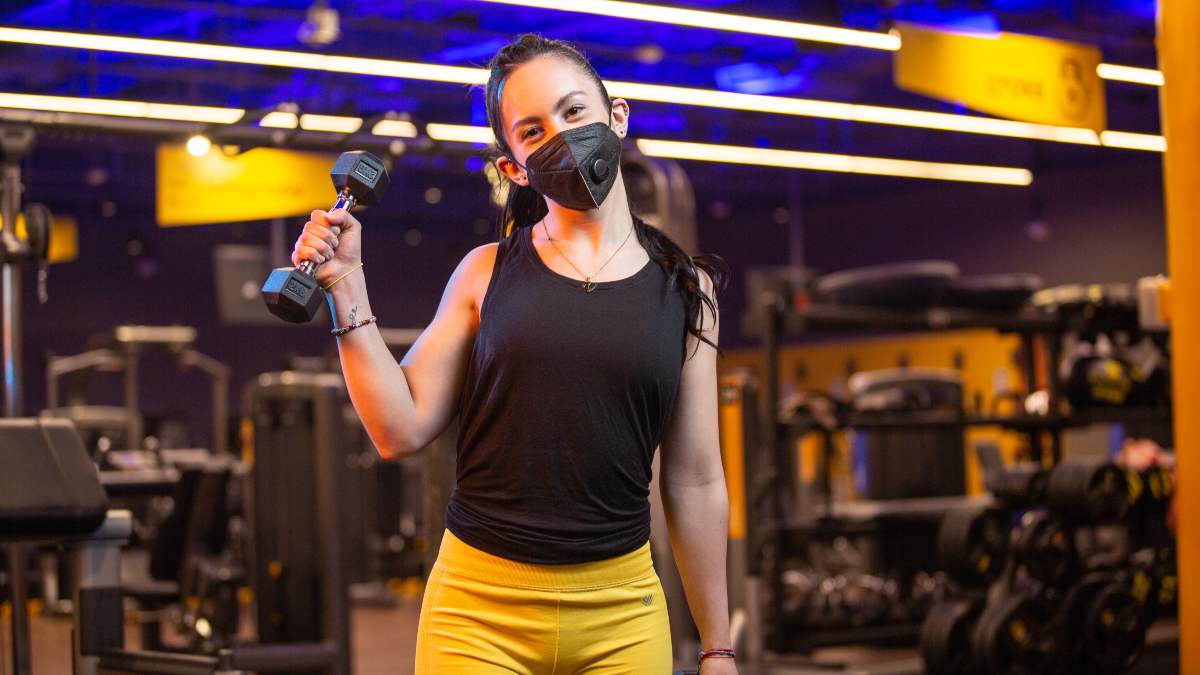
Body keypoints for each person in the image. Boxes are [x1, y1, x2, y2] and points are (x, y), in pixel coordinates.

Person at [291, 33, 736, 675]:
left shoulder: (687, 290)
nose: (562, 135)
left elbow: (695, 478)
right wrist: (345, 286)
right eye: (533, 131)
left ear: (618, 116)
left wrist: (717, 646)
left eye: (574, 111)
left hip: (622, 613)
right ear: (514, 168)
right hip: (478, 613)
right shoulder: (485, 273)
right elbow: (399, 428)